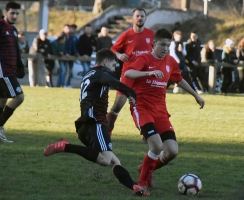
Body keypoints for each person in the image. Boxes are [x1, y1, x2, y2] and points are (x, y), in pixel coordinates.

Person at [43, 48, 149, 196]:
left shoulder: (89, 73)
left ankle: (135, 187)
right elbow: (112, 81)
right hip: (95, 123)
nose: (113, 69)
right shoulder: (101, 73)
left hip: (85, 124)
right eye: (113, 66)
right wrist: (131, 92)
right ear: (105, 62)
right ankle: (65, 147)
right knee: (106, 160)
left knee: (114, 161)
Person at [124, 28, 205, 195]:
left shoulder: (170, 61)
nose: (165, 49)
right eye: (162, 45)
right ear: (154, 44)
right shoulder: (144, 58)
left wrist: (196, 95)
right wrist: (148, 72)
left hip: (160, 111)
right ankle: (142, 184)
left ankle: (146, 169)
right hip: (142, 107)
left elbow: (179, 79)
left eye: (168, 46)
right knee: (156, 145)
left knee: (172, 151)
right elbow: (129, 72)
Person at [106, 8, 155, 136]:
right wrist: (119, 55)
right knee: (118, 105)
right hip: (128, 75)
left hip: (144, 77)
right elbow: (112, 50)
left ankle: (148, 133)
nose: (140, 18)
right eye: (137, 16)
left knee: (145, 107)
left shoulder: (151, 35)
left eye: (142, 16)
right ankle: (107, 130)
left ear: (145, 18)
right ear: (133, 18)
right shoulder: (126, 35)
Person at [0, 1, 25, 143]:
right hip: (3, 71)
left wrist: (20, 67)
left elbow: (16, 50)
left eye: (17, 13)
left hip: (11, 70)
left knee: (1, 102)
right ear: (5, 13)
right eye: (12, 13)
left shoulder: (13, 30)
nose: (14, 16)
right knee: (19, 97)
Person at [63, 24, 78, 88]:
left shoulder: (72, 37)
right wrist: (65, 53)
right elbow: (62, 46)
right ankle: (62, 84)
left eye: (69, 28)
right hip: (63, 56)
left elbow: (73, 46)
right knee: (64, 71)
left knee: (70, 71)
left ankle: (68, 84)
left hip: (71, 56)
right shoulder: (62, 36)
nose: (68, 30)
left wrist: (76, 53)